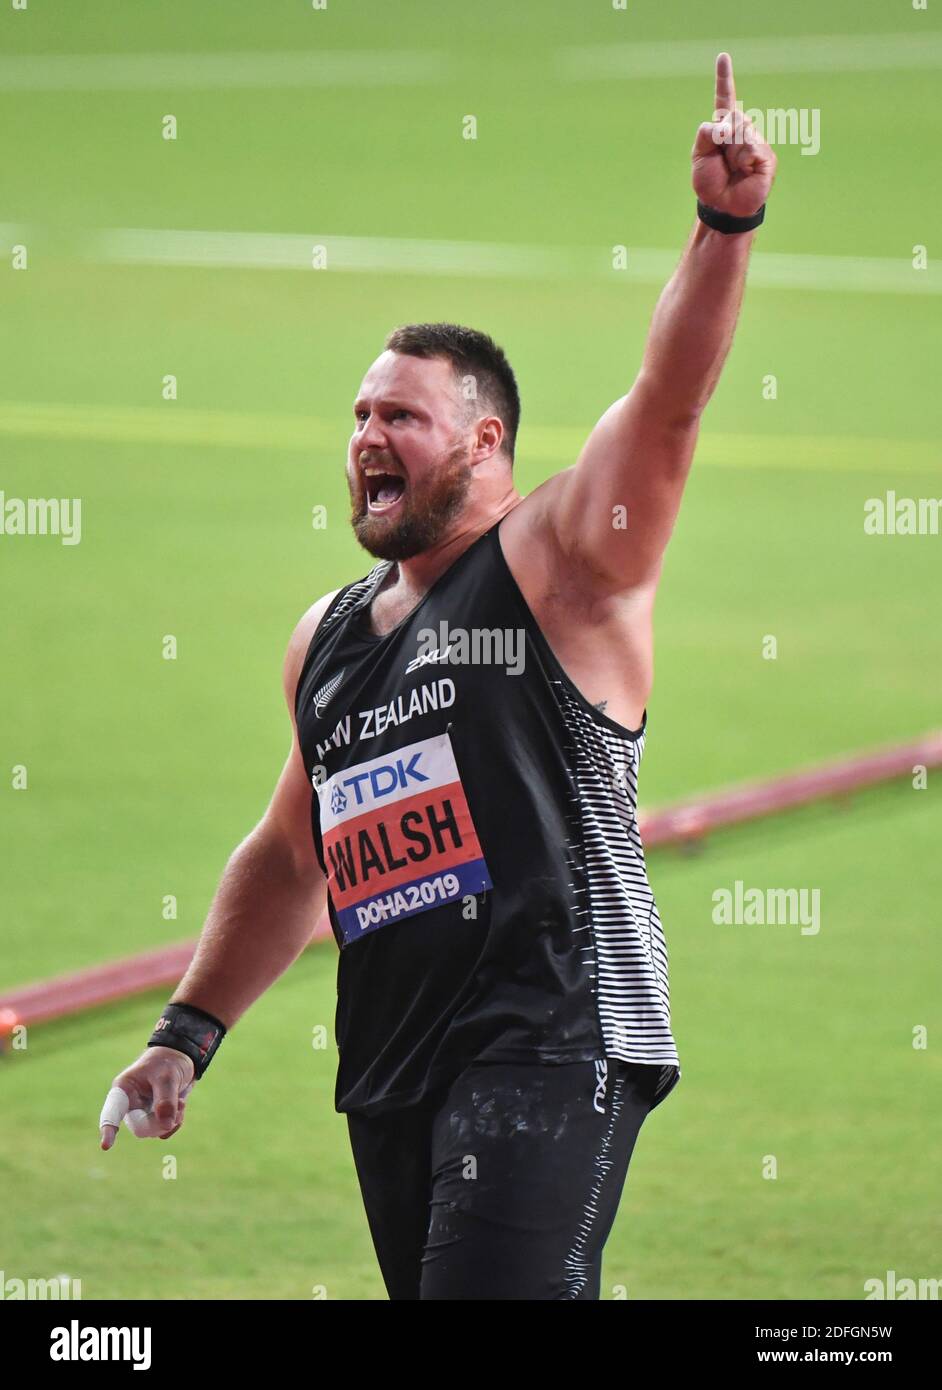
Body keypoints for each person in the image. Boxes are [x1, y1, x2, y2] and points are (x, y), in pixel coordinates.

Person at [99, 53, 776, 1300]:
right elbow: (292, 852)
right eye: (358, 415)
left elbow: (667, 407)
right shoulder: (330, 637)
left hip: (557, 1035)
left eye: (399, 417)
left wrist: (725, 227)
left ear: (485, 442)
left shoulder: (561, 565)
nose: (365, 437)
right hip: (393, 1067)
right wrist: (184, 1034)